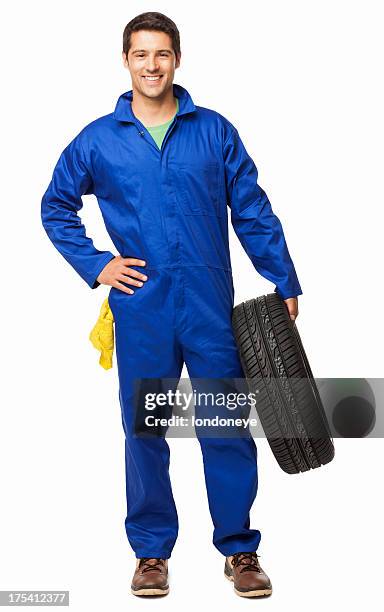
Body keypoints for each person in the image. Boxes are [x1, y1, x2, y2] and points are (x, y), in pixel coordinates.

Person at [41, 11, 302, 598]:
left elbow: (253, 210)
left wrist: (283, 277)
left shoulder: (213, 131)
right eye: (140, 55)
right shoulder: (98, 140)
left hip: (209, 306)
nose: (152, 65)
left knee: (224, 426)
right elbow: (55, 205)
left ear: (177, 60)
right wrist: (97, 265)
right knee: (145, 429)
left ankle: (240, 550)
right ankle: (151, 553)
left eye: (162, 54)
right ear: (126, 61)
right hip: (142, 306)